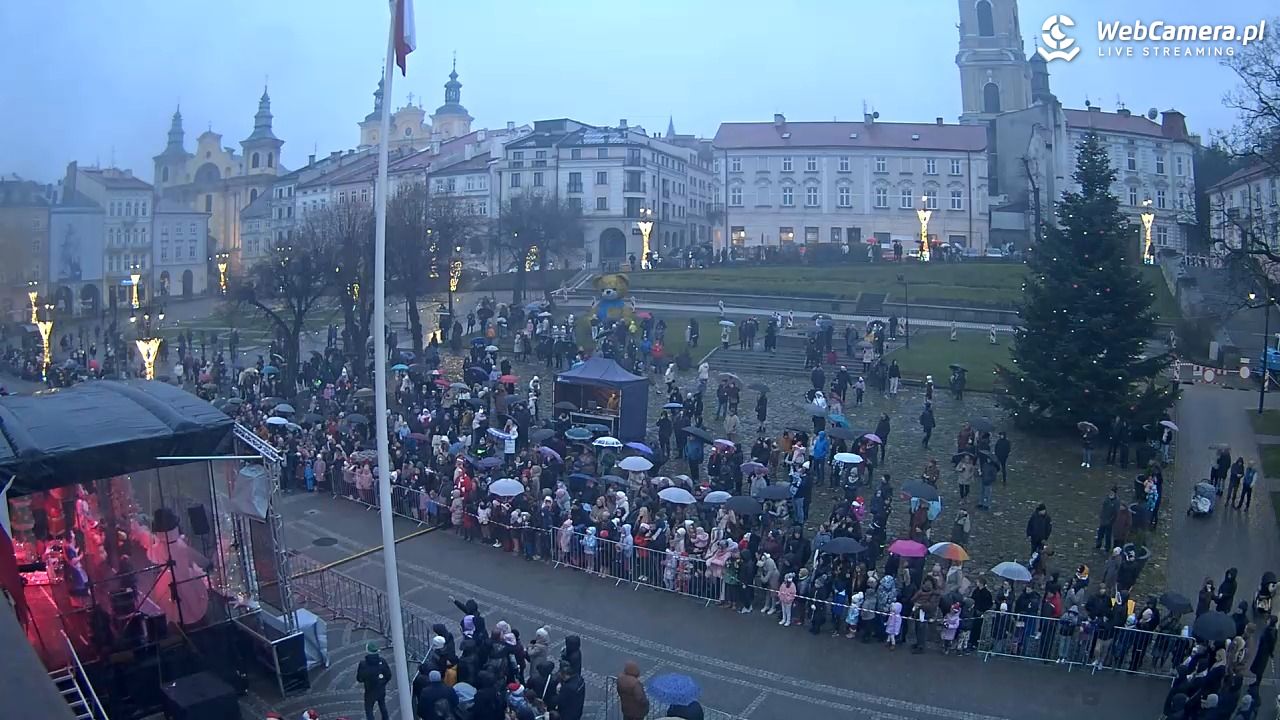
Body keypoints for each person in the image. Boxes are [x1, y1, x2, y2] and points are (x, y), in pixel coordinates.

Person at [356, 642, 391, 720]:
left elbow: (359, 678)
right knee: (382, 706)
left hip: (370, 691)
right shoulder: (382, 662)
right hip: (381, 689)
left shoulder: (363, 664)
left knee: (369, 710)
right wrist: (383, 683)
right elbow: (388, 676)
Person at [1095, 487, 1118, 551]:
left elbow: (1116, 513)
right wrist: (1101, 516)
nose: (1110, 493)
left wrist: (1111, 521)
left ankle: (1107, 548)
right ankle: (1098, 545)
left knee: (1108, 535)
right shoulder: (1107, 498)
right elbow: (1103, 508)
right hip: (1103, 520)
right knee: (1100, 533)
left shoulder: (1116, 502)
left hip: (1109, 522)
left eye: (1112, 492)